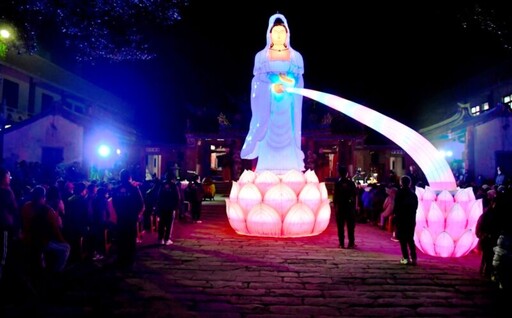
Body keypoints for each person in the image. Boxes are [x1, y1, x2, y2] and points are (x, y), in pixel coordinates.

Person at [240, 13, 305, 174]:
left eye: (282, 32)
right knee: (266, 130)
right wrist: (272, 83)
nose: (278, 35)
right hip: (269, 104)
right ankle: (265, 168)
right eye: (275, 31)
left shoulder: (296, 56)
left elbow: (298, 78)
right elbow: (257, 78)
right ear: (269, 33)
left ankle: (291, 167)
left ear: (287, 34)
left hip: (287, 105)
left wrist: (289, 82)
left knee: (289, 133)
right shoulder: (261, 56)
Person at [111, 169, 144, 268]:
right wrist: (137, 214)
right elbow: (140, 203)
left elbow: (114, 202)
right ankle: (130, 260)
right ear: (129, 177)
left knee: (121, 238)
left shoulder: (116, 189)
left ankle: (121, 258)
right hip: (131, 217)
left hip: (121, 217)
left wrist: (118, 212)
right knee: (130, 239)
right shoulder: (134, 189)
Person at [393, 175, 419, 265]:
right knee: (410, 239)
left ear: (401, 183)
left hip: (401, 218)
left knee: (403, 240)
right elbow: (416, 207)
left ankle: (405, 258)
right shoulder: (413, 194)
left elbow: (396, 207)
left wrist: (395, 216)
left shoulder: (399, 193)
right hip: (410, 218)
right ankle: (414, 258)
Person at [332, 165, 357, 249]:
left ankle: (341, 243)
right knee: (350, 226)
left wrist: (335, 206)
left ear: (339, 173)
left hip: (341, 207)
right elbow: (355, 195)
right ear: (347, 173)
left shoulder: (338, 184)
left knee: (340, 227)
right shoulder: (351, 183)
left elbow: (335, 197)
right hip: (349, 207)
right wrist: (356, 206)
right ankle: (351, 243)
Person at [0, 167, 18, 281]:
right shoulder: (6, 192)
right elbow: (13, 208)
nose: (10, 179)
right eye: (9, 176)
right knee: (3, 252)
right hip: (4, 225)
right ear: (4, 177)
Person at [156, 174, 179, 245]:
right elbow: (177, 197)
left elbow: (159, 196)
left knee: (161, 223)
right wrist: (175, 207)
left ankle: (160, 239)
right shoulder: (173, 185)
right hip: (170, 207)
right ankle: (167, 239)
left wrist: (158, 206)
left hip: (162, 207)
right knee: (169, 224)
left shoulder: (162, 185)